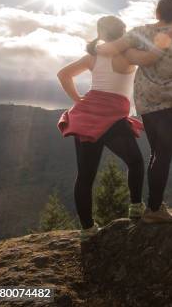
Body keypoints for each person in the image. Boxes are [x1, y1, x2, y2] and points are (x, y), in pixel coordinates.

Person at [96, 0, 172, 224]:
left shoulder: (140, 32)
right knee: (163, 154)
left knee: (156, 153)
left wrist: (121, 50)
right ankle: (154, 208)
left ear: (157, 13)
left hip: (146, 98)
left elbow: (109, 49)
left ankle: (154, 205)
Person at [57, 16, 147, 240]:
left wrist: (78, 99)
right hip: (113, 117)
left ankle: (87, 229)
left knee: (85, 176)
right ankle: (136, 207)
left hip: (87, 115)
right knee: (135, 162)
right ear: (122, 32)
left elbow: (63, 74)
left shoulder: (93, 56)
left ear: (101, 33)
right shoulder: (128, 55)